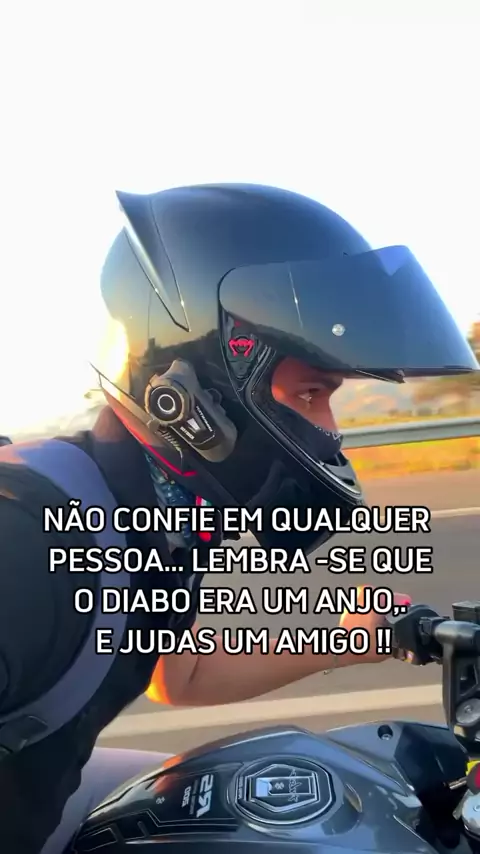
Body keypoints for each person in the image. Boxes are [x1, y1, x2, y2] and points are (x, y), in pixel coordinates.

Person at [0, 184, 477, 854]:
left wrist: (354, 640)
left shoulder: (155, 513)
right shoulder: (27, 540)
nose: (331, 433)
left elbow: (181, 672)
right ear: (192, 396)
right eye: (310, 393)